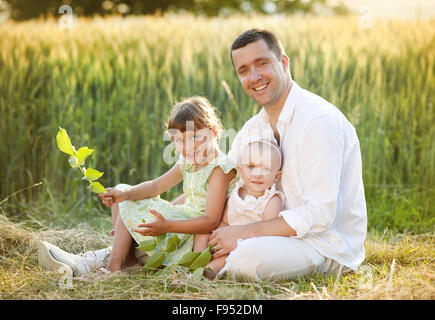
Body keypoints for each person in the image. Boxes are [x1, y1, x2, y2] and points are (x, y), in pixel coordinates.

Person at [207, 28, 367, 281]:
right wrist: (157, 209)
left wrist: (241, 234)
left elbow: (320, 215)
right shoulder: (253, 128)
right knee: (181, 235)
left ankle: (220, 264)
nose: (255, 76)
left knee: (249, 257)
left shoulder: (317, 121)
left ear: (283, 63)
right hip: (270, 237)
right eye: (244, 70)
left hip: (322, 246)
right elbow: (215, 179)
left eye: (262, 63)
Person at [38, 96, 237, 278]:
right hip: (182, 221)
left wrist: (167, 225)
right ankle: (127, 260)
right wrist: (125, 193)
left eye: (194, 137)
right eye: (179, 140)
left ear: (214, 132)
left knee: (130, 204)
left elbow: (210, 221)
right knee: (124, 194)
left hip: (192, 236)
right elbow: (156, 185)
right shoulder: (188, 161)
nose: (187, 147)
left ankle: (114, 266)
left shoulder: (219, 168)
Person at [204, 138, 285, 280]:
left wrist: (235, 245)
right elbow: (224, 221)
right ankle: (202, 267)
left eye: (265, 168)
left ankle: (209, 275)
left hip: (249, 249)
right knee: (204, 238)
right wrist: (217, 240)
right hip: (226, 244)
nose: (257, 174)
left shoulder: (272, 200)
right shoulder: (235, 194)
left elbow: (269, 235)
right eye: (252, 167)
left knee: (217, 266)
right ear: (240, 171)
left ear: (276, 176)